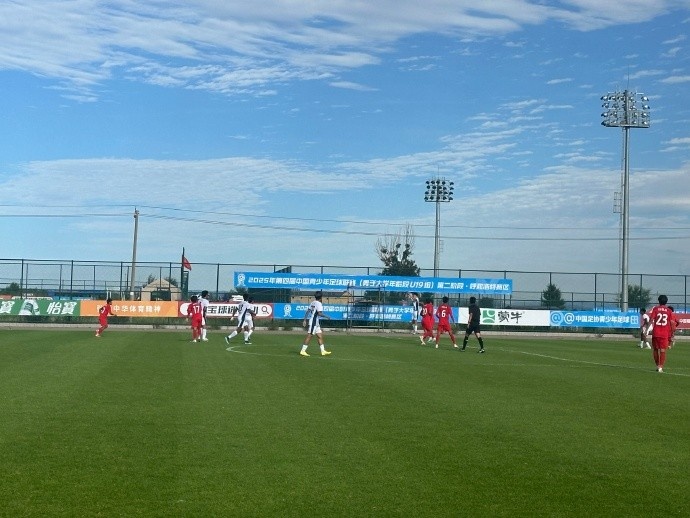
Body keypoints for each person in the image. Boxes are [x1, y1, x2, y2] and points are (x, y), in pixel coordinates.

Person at [300, 291, 332, 357]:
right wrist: (327, 316)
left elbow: (308, 311)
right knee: (309, 335)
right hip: (313, 322)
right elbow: (319, 313)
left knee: (319, 336)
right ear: (321, 297)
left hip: (315, 322)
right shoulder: (319, 304)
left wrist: (305, 320)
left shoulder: (313, 302)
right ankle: (303, 351)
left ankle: (323, 351)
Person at [648, 295, 673, 373]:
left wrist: (646, 330)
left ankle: (657, 365)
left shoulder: (655, 309)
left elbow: (651, 319)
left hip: (656, 332)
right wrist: (672, 333)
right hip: (664, 333)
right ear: (666, 302)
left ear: (659, 301)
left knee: (655, 349)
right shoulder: (669, 311)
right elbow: (671, 322)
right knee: (663, 350)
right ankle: (660, 366)